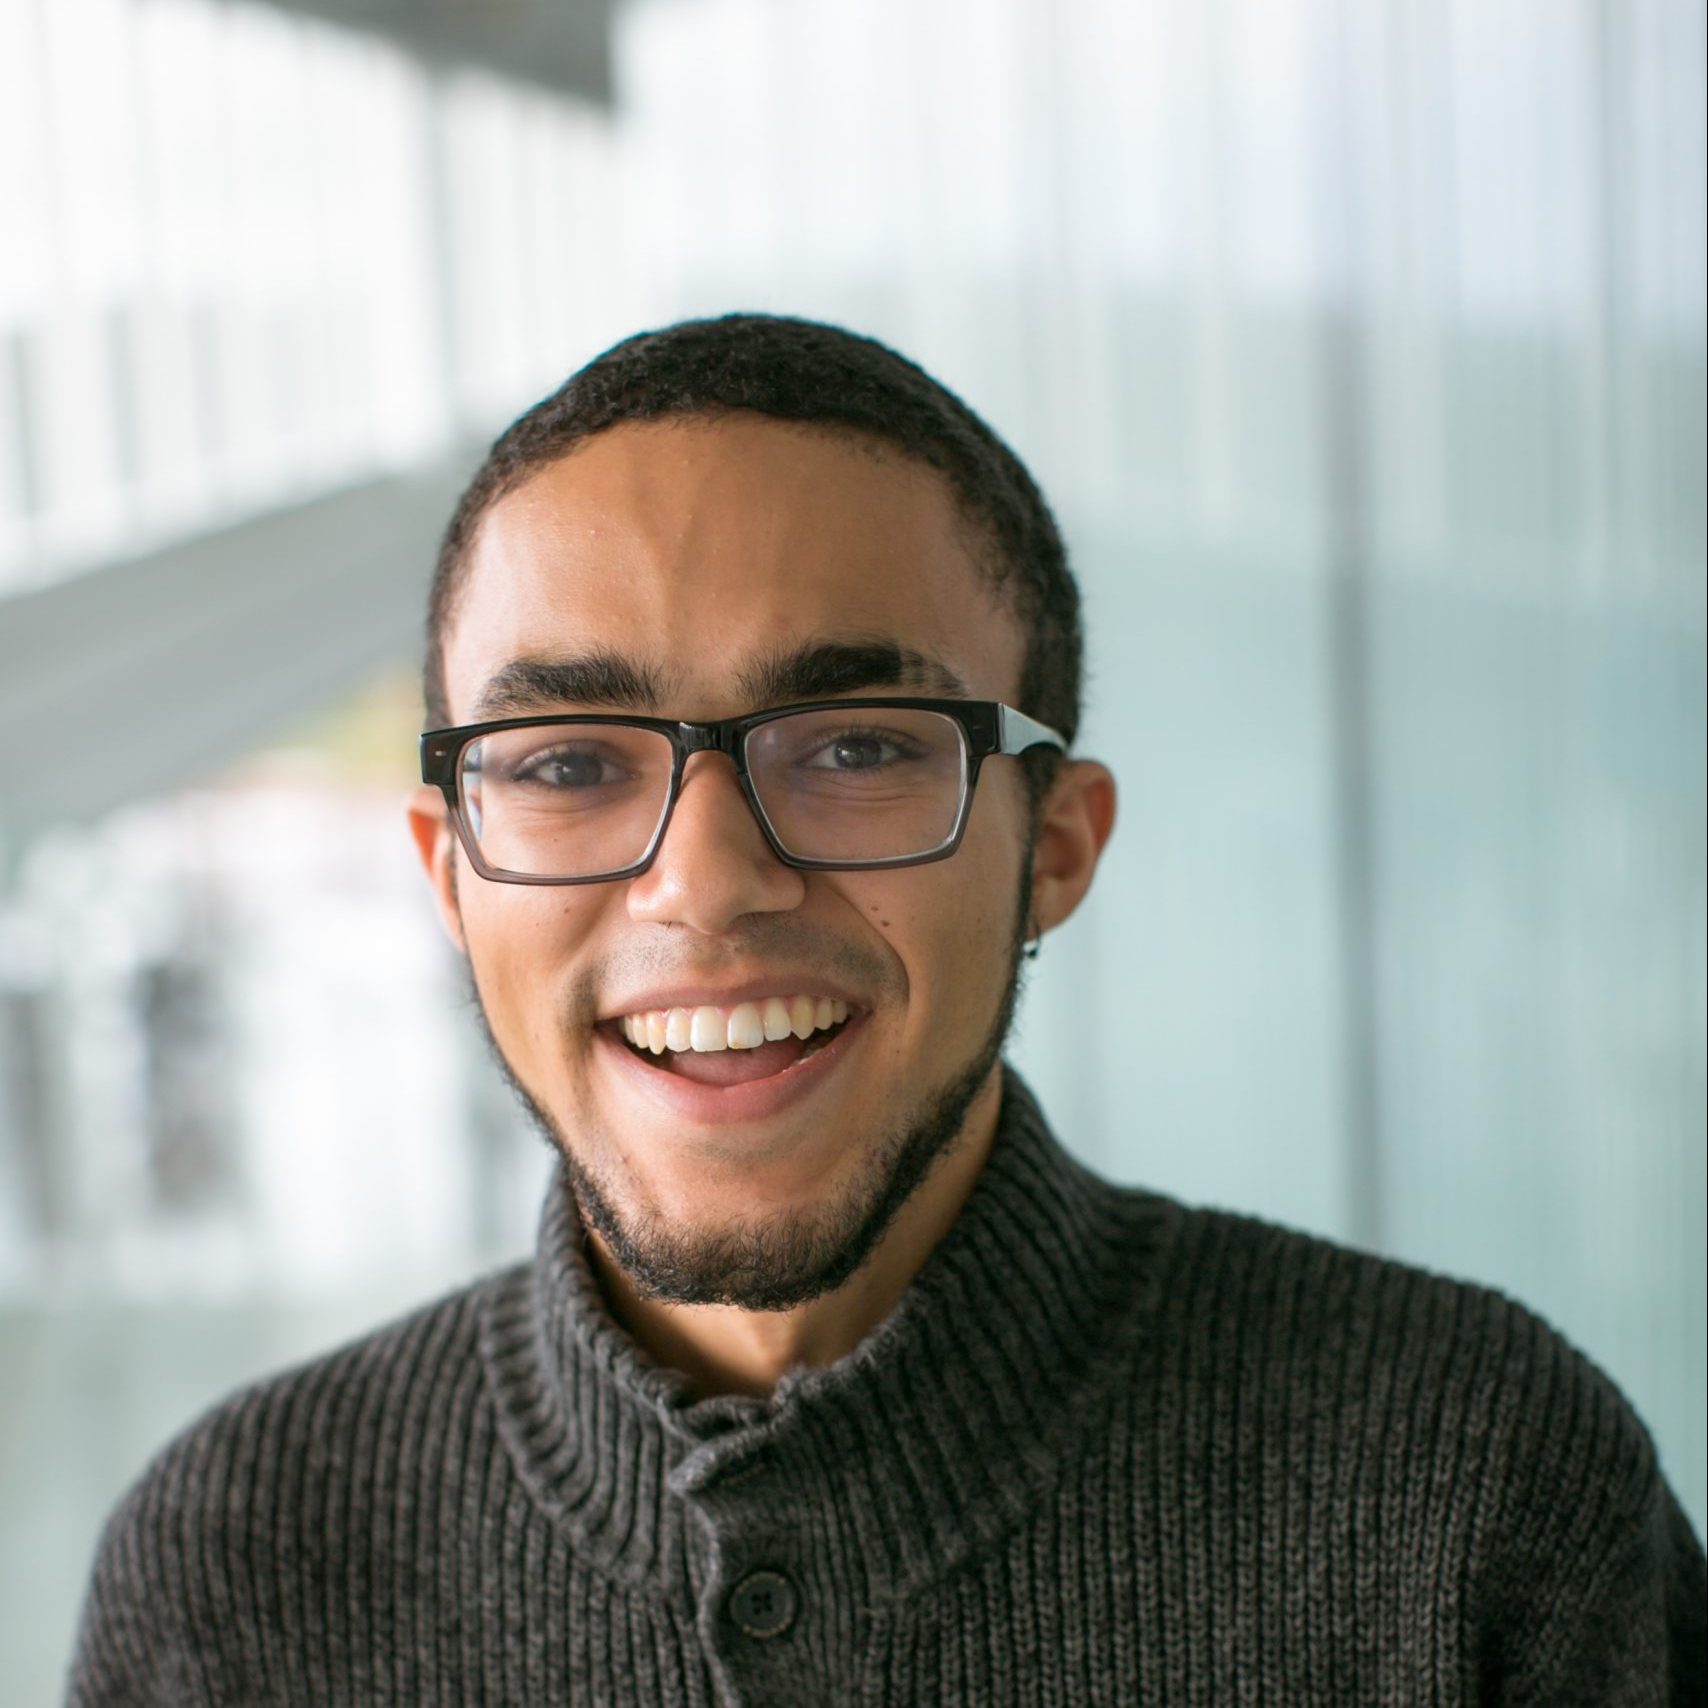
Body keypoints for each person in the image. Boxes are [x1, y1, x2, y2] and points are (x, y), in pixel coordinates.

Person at [67, 315, 1704, 1707]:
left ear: (1052, 845)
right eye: (567, 764)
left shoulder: (1479, 1490)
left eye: (853, 746)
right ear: (447, 874)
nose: (702, 886)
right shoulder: (231, 1572)